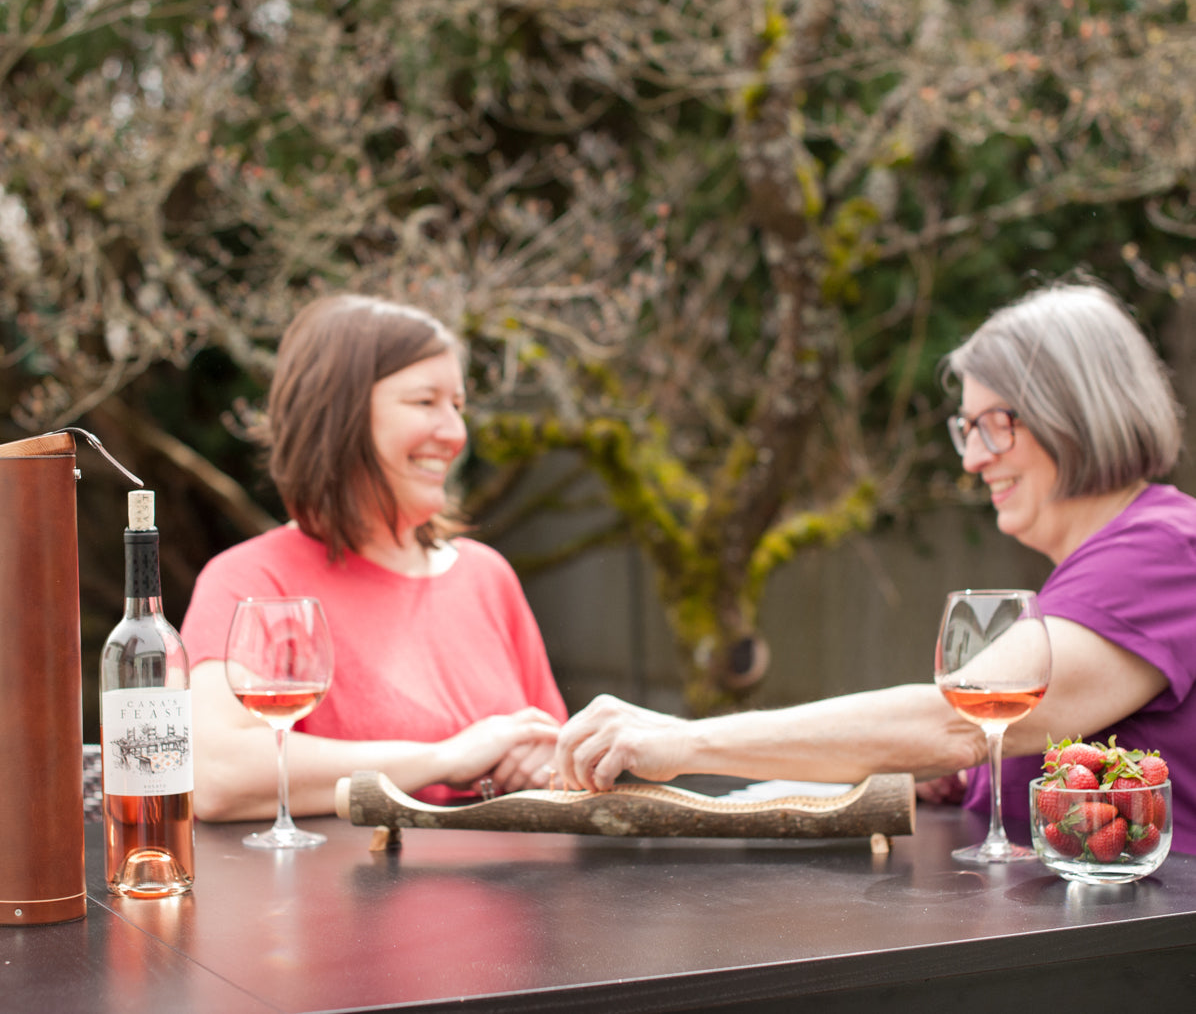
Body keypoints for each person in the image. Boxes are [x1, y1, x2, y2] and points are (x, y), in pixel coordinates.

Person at [552, 279, 1196, 854]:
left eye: (994, 425)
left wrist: (681, 743)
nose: (972, 458)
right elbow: (985, 745)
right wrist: (961, 780)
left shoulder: (1163, 552)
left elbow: (960, 719)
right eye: (965, 429)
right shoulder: (1120, 556)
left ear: (1076, 412)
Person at [181, 293, 566, 822]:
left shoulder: (487, 575)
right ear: (339, 416)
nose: (455, 433)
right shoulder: (250, 580)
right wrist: (443, 760)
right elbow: (218, 776)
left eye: (457, 405)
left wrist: (552, 761)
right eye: (425, 402)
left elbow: (556, 762)